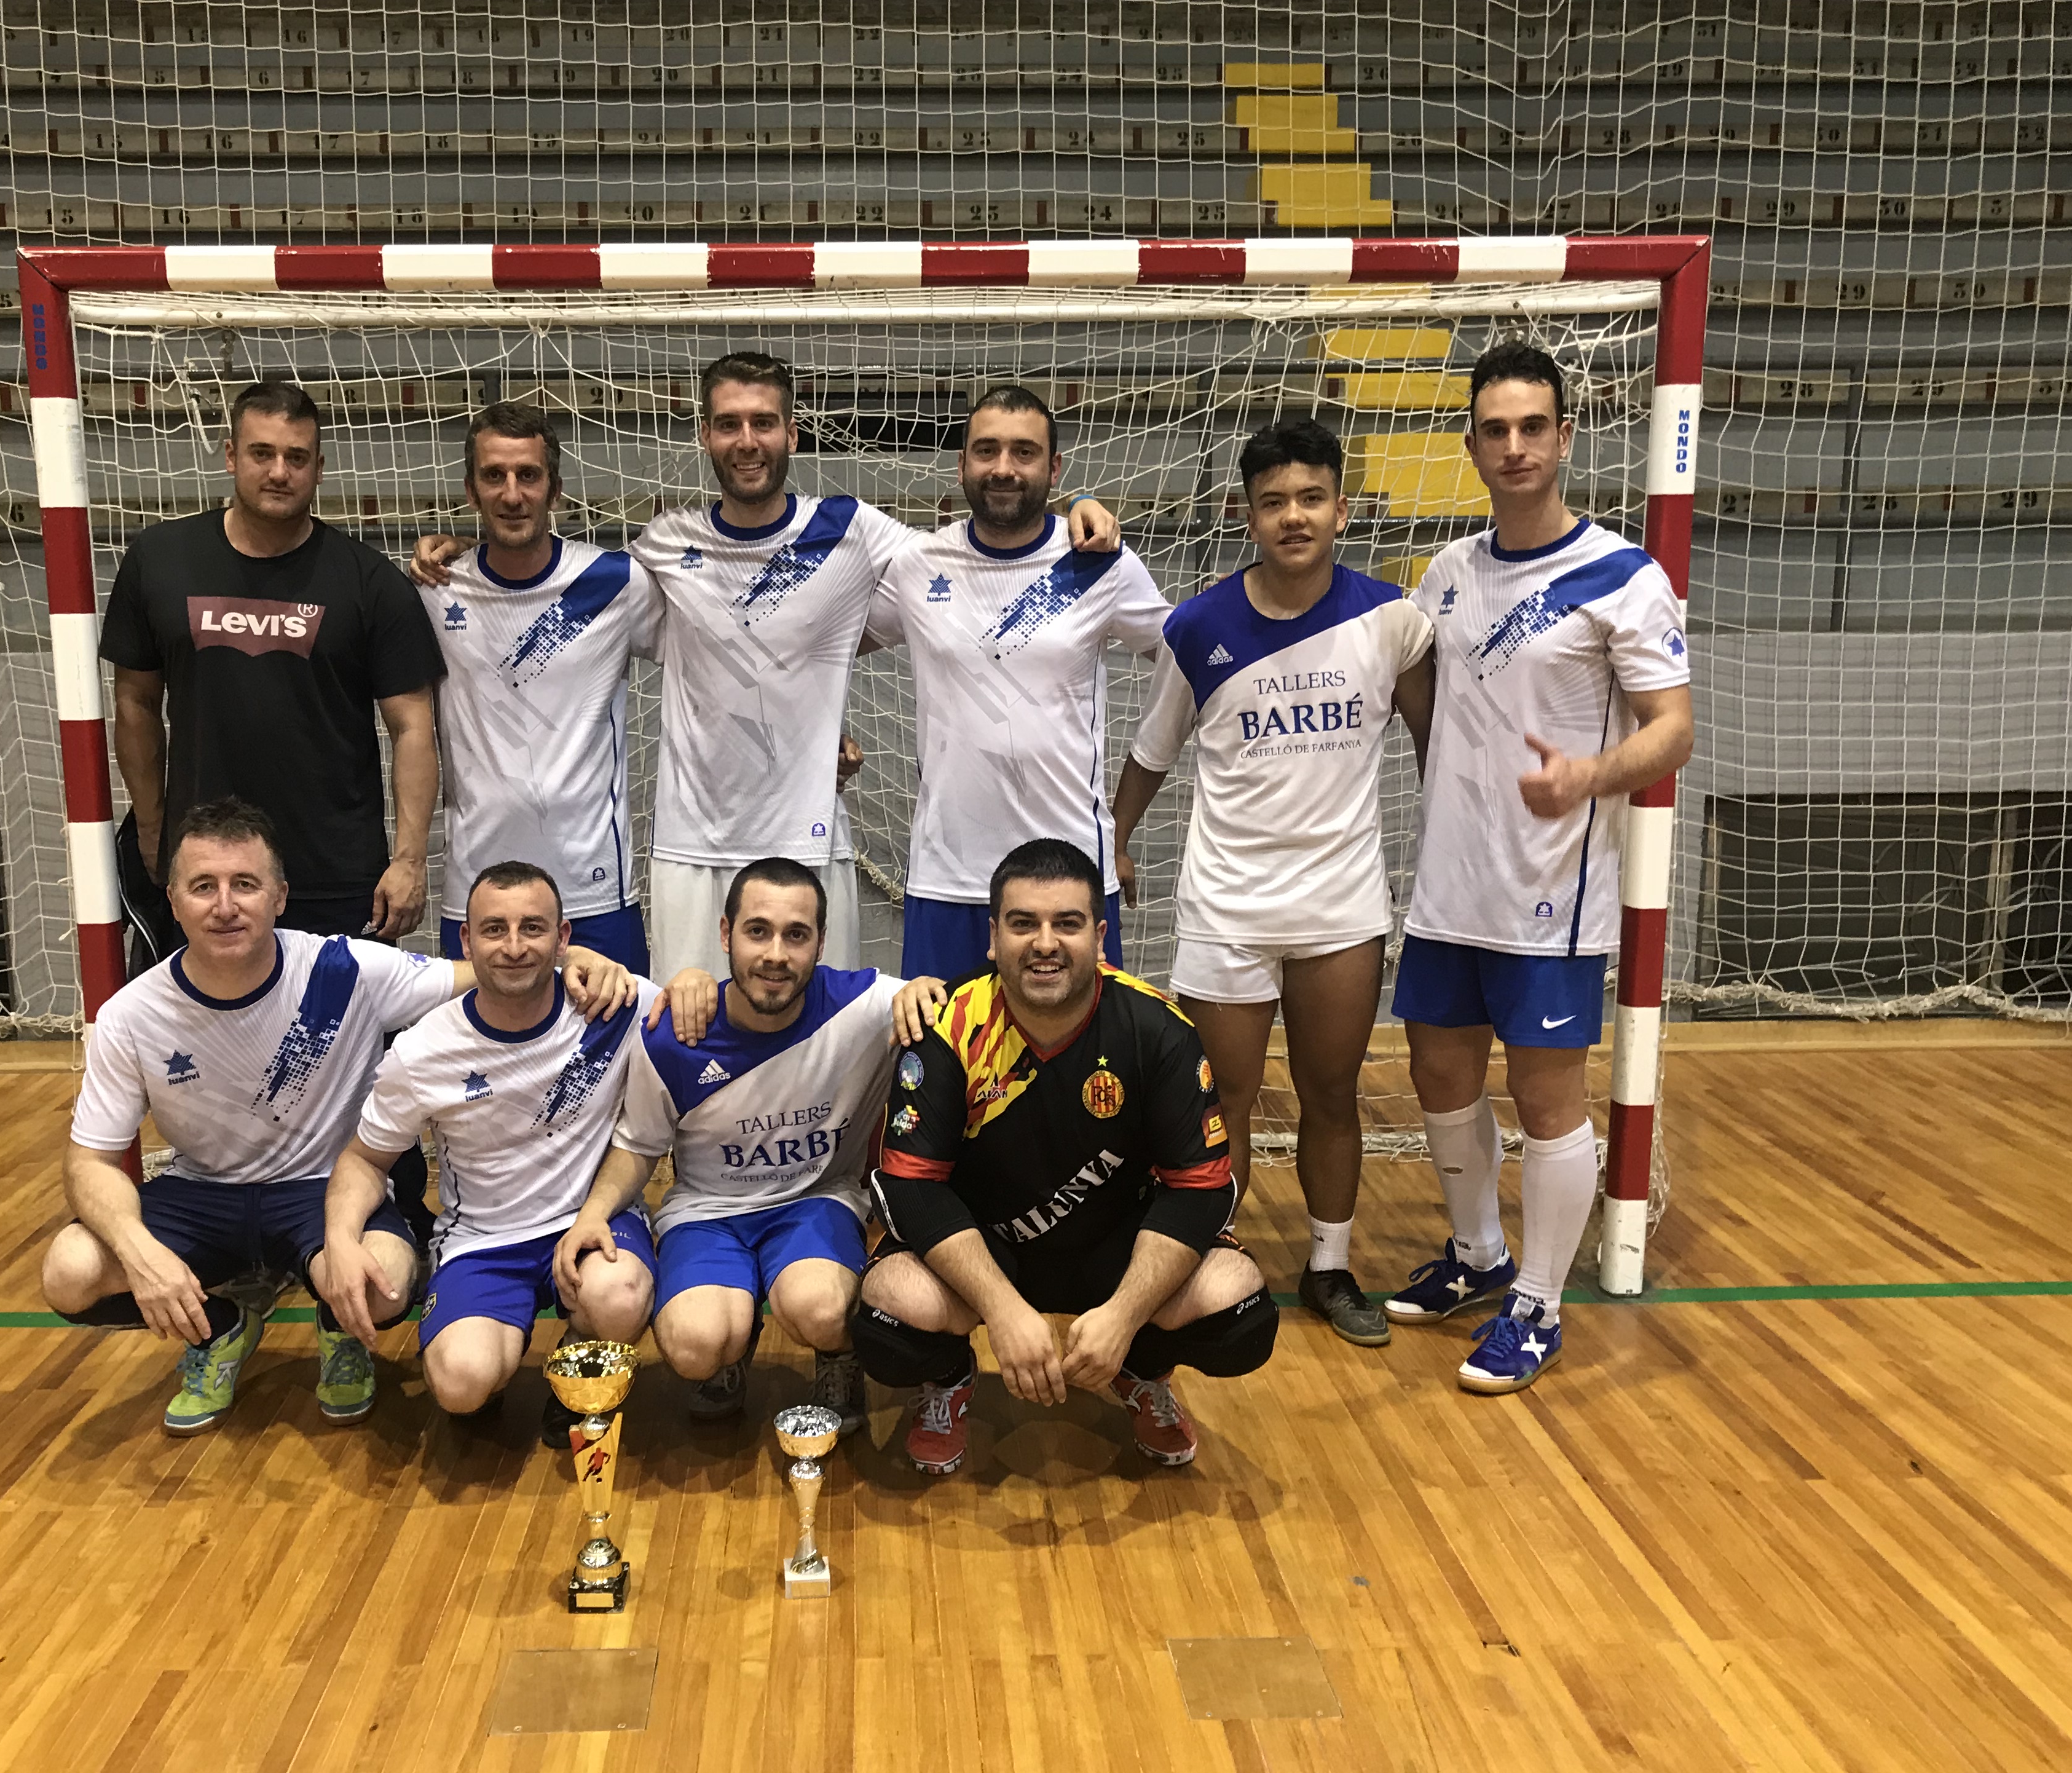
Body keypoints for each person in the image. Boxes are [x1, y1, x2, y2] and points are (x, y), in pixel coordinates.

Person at [412, 353, 1121, 979]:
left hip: (809, 842)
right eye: (729, 424)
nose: (747, 440)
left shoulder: (850, 530)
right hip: (690, 851)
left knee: (822, 1047)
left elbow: (983, 548)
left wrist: (1077, 504)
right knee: (686, 1040)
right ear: (705, 435)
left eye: (763, 423)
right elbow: (566, 591)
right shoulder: (664, 545)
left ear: (793, 433)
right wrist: (463, 554)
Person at [39, 798, 640, 1437]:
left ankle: (341, 1324)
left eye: (245, 885)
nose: (225, 906)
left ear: (279, 897)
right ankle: (219, 1329)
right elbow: (90, 1161)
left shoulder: (345, 969)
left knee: (384, 1284)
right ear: (174, 900)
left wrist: (577, 960)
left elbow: (492, 969)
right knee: (69, 1272)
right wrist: (139, 1255)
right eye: (204, 887)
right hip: (202, 1195)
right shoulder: (131, 1014)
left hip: (320, 1191)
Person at [1382, 339, 1695, 1393]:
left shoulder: (1623, 576)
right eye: (1494, 430)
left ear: (1564, 437)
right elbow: (1427, 704)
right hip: (1448, 884)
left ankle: (1540, 1304)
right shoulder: (1447, 573)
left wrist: (1589, 776)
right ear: (1470, 446)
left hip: (1552, 894)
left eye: (1532, 427)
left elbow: (1674, 728)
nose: (1513, 446)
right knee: (1438, 1074)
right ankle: (1479, 1257)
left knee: (1547, 1096)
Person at [1111, 417, 1435, 1350]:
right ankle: (1212, 1262)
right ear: (1246, 515)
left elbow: (1440, 750)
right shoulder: (1197, 625)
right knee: (1221, 1101)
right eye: (1274, 502)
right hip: (1227, 907)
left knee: (1332, 1094)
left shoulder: (1395, 621)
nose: (1294, 516)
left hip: (1341, 908)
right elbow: (1151, 752)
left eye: (1311, 498)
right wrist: (1115, 842)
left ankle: (1330, 1267)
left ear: (1342, 508)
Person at [851, 839, 1277, 1476]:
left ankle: (1141, 1366)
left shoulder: (1158, 1028)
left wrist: (1125, 1316)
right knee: (887, 1312)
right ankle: (948, 1377)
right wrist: (1001, 1309)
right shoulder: (948, 1025)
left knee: (1239, 1307)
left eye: (1067, 924)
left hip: (1114, 1251)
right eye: (1023, 923)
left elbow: (1201, 1189)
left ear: (1100, 938)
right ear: (993, 937)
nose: (1045, 943)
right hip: (986, 1250)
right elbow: (912, 1187)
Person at [323, 861, 715, 1448]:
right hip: (484, 1239)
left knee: (621, 1294)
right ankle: (487, 1360)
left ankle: (576, 1371)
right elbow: (363, 1160)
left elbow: (696, 1005)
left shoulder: (613, 1008)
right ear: (466, 940)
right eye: (494, 929)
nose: (513, 947)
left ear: (563, 939)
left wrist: (693, 978)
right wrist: (339, 1239)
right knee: (462, 1383)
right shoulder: (424, 1050)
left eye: (533, 928)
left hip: (592, 1222)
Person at [557, 858, 945, 1431]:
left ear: (821, 942)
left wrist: (929, 989)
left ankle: (837, 1356)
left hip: (815, 1200)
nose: (775, 955)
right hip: (707, 1213)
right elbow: (638, 1146)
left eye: (797, 935)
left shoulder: (865, 1009)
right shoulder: (676, 1034)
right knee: (695, 1344)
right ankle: (730, 1348)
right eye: (758, 931)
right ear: (726, 934)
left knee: (822, 1307)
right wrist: (593, 1214)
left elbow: (944, 1002)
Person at [104, 378, 443, 956]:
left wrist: (409, 860)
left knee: (337, 1019)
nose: (279, 472)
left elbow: (413, 727)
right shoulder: (158, 562)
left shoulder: (371, 583)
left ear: (319, 468)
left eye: (297, 457)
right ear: (231, 455)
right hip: (208, 872)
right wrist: (154, 826)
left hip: (336, 874)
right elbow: (134, 702)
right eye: (262, 453)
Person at [867, 385, 1173, 980]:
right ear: (962, 464)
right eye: (987, 451)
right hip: (948, 881)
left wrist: (1123, 824)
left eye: (1024, 453)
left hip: (1072, 882)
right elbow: (823, 646)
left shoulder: (1099, 561)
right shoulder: (918, 565)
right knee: (943, 1043)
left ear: (1054, 468)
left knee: (1085, 1044)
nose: (1003, 468)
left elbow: (1183, 659)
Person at [416, 401, 661, 975]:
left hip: (595, 893)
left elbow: (710, 657)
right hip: (477, 896)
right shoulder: (433, 590)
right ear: (471, 491)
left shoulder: (615, 582)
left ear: (555, 490)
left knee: (616, 1034)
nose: (512, 494)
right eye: (494, 476)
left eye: (528, 475)